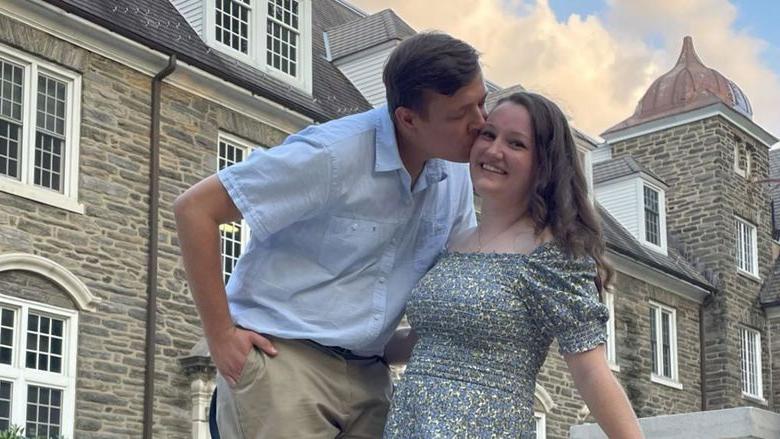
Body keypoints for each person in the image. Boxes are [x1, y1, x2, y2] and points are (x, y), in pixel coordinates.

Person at [173, 32, 487, 438]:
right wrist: (220, 336)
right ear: (408, 118)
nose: (480, 124)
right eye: (462, 113)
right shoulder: (332, 153)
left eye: (482, 102)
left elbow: (463, 263)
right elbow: (195, 209)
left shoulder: (455, 170)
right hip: (286, 362)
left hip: (372, 374)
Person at [383, 92, 644, 438]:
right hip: (409, 426)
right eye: (488, 135)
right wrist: (330, 343)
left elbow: (591, 371)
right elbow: (428, 340)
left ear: (544, 165)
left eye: (516, 144)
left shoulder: (551, 256)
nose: (493, 151)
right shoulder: (454, 241)